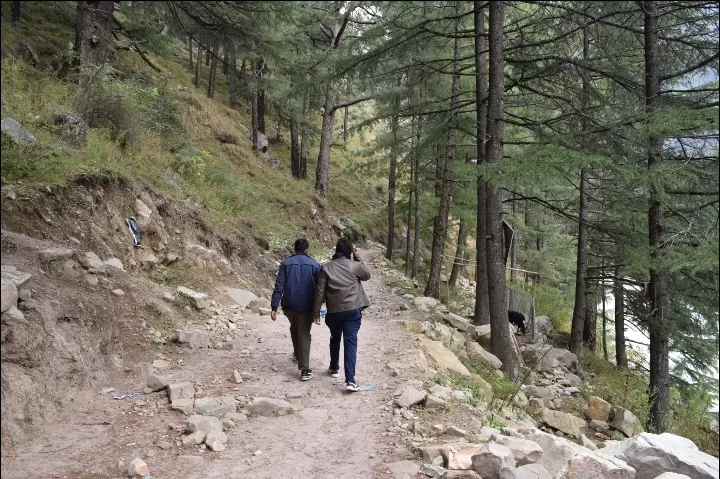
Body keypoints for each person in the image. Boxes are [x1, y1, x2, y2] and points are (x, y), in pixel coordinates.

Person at [313, 238, 371, 392]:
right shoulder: (354, 266)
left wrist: (316, 311)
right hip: (352, 310)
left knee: (335, 336)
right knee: (350, 343)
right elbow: (367, 275)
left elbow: (320, 292)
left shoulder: (326, 268)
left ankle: (334, 368)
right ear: (349, 251)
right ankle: (351, 381)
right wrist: (357, 257)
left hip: (334, 311)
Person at [271, 239, 321, 381]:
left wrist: (274, 306)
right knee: (304, 332)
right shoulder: (315, 265)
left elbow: (279, 286)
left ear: (295, 249)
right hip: (307, 305)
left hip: (289, 304)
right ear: (307, 249)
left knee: (294, 327)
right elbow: (319, 289)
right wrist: (318, 308)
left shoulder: (286, 263)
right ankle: (304, 369)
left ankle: (298, 354)